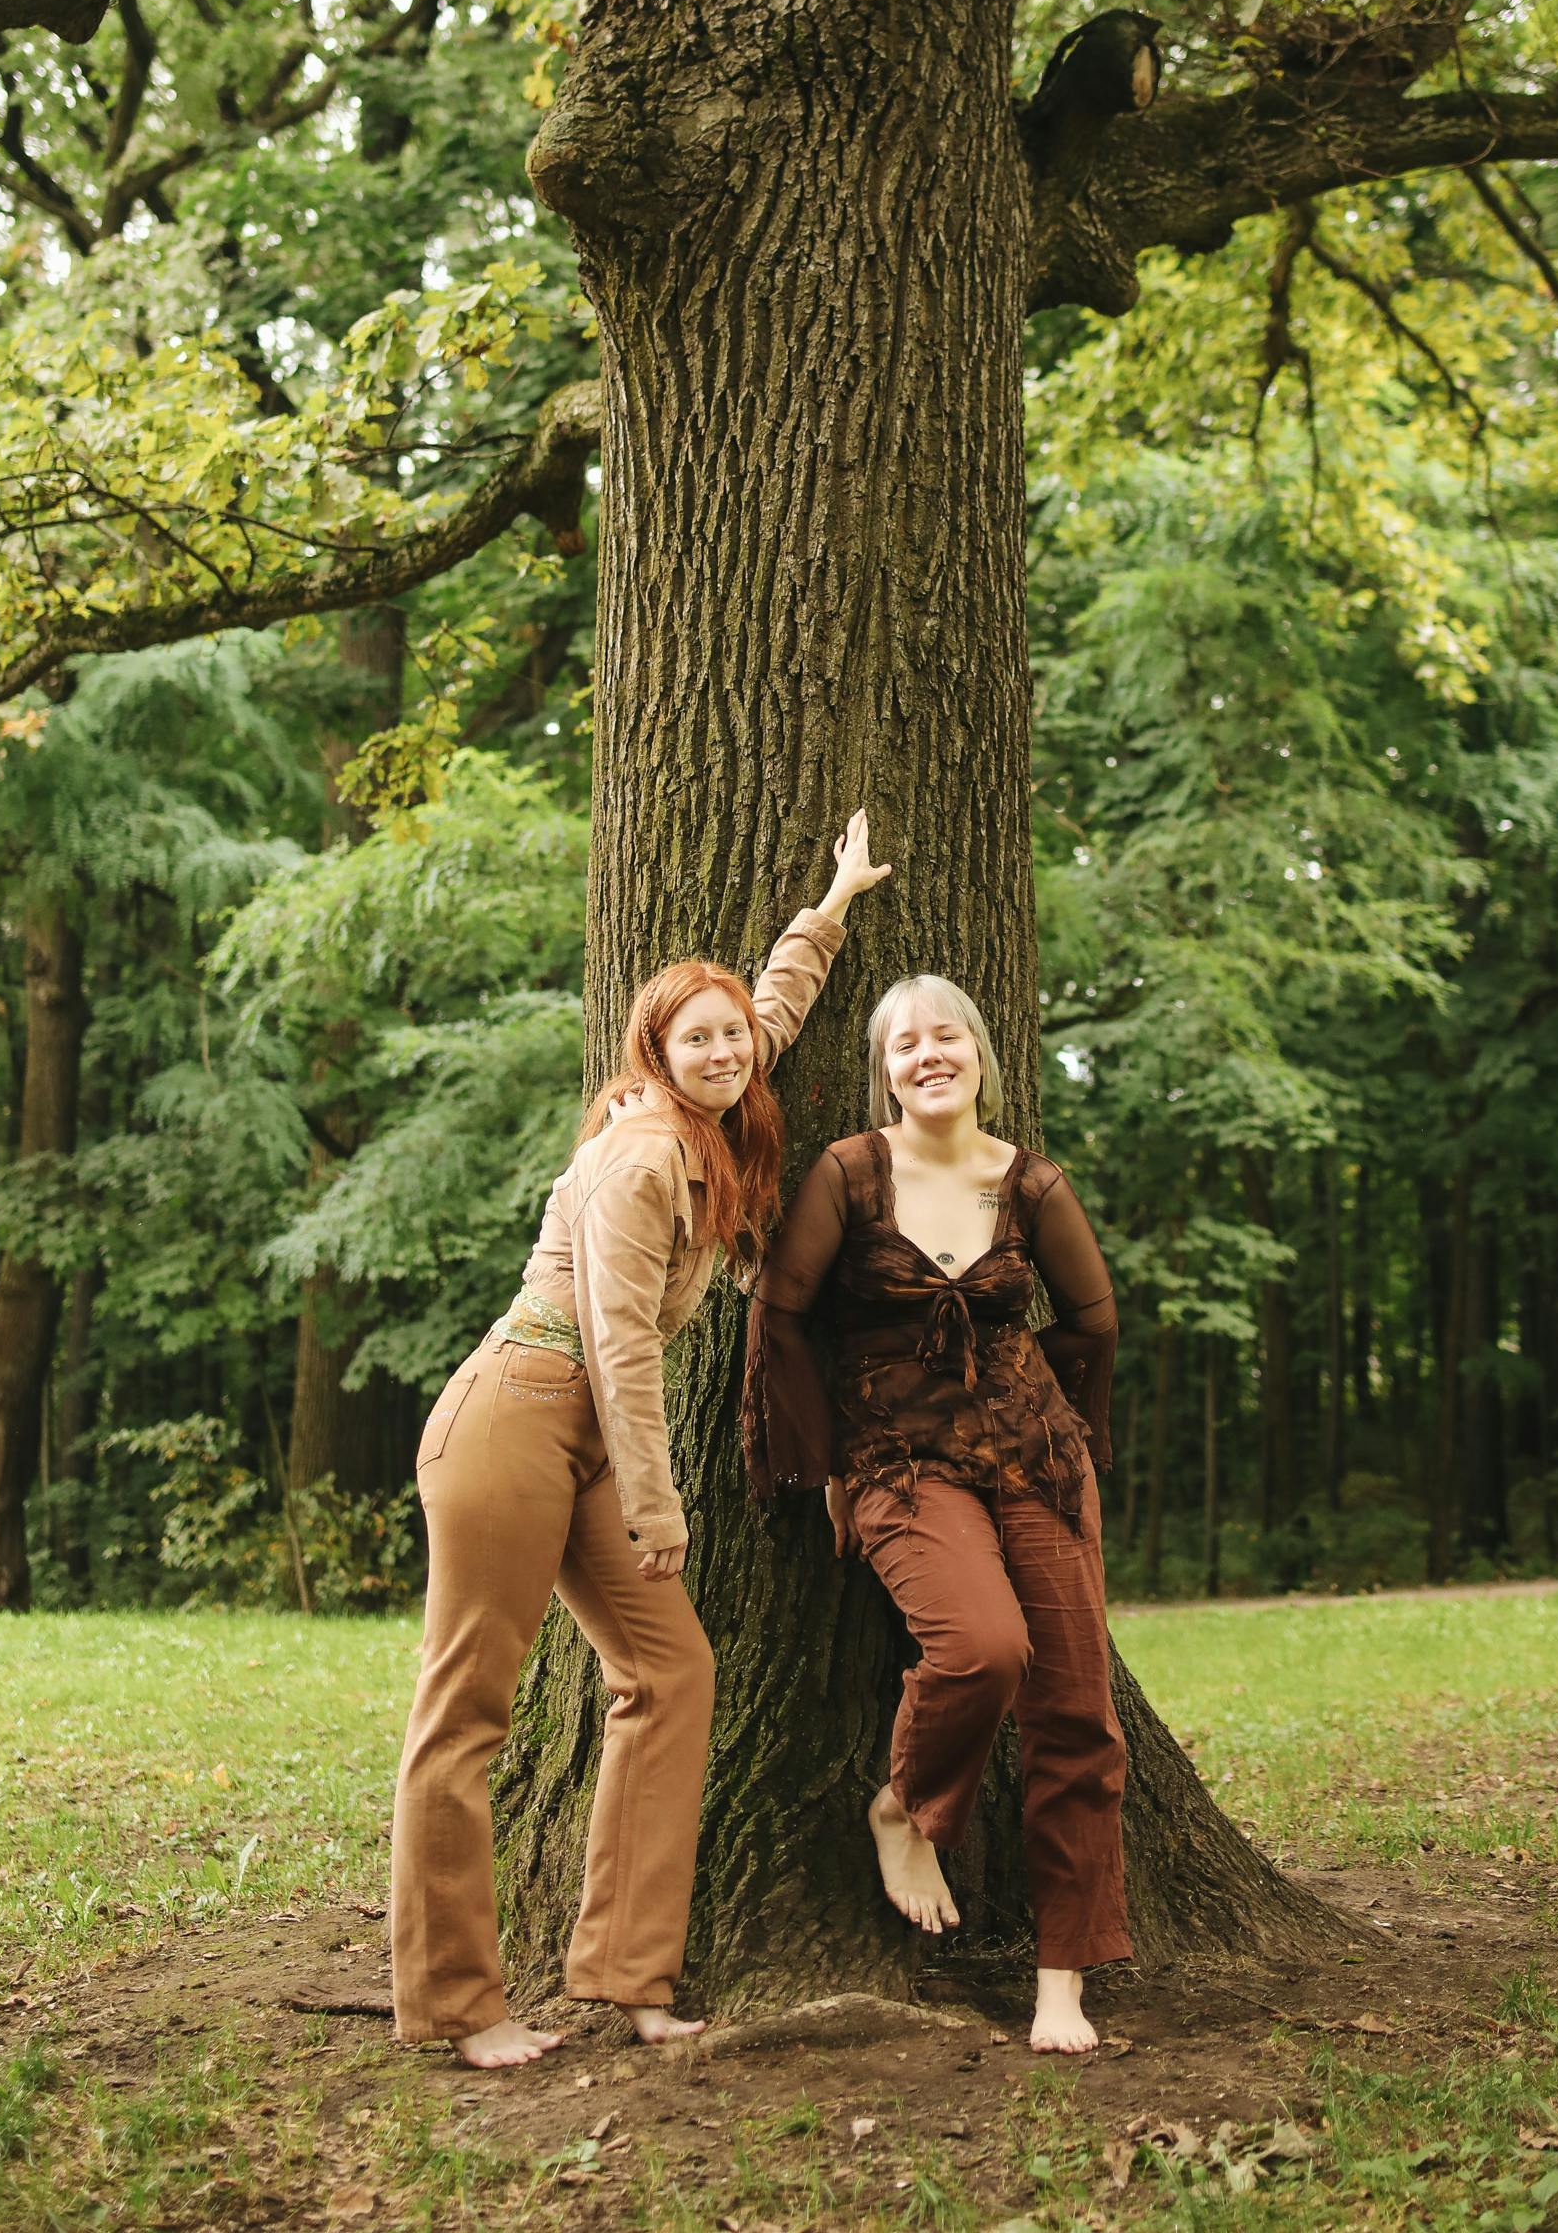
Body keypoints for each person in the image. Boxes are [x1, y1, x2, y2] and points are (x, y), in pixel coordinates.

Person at [391, 814, 892, 2069]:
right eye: (698, 1037)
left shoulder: (714, 1099)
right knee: (465, 1714)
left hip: (581, 1438)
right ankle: (458, 2007)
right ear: (653, 1053)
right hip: (517, 1418)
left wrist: (826, 910)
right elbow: (619, 1350)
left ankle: (625, 1973)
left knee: (671, 1676)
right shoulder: (639, 1156)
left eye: (730, 1035)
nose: (726, 1049)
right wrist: (659, 1510)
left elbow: (766, 1013)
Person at [742, 973, 1126, 2055]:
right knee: (980, 1646)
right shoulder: (849, 1174)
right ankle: (904, 1807)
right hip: (899, 1464)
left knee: (1076, 1717)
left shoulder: (1029, 1184)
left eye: (945, 1033)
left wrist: (1033, 1400)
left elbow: (1093, 1322)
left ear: (978, 1054)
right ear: (885, 1070)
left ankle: (1063, 1981)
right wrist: (817, 1465)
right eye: (903, 1043)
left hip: (1035, 1462)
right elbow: (778, 1316)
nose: (926, 1053)